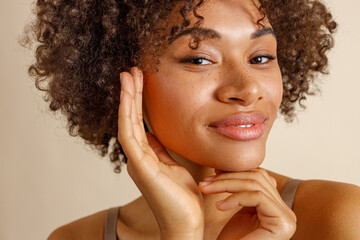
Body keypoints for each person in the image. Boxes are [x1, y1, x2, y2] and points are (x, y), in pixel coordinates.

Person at [24, 0, 360, 239]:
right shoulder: (77, 237)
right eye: (200, 59)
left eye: (260, 57)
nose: (247, 89)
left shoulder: (340, 219)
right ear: (119, 79)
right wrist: (181, 232)